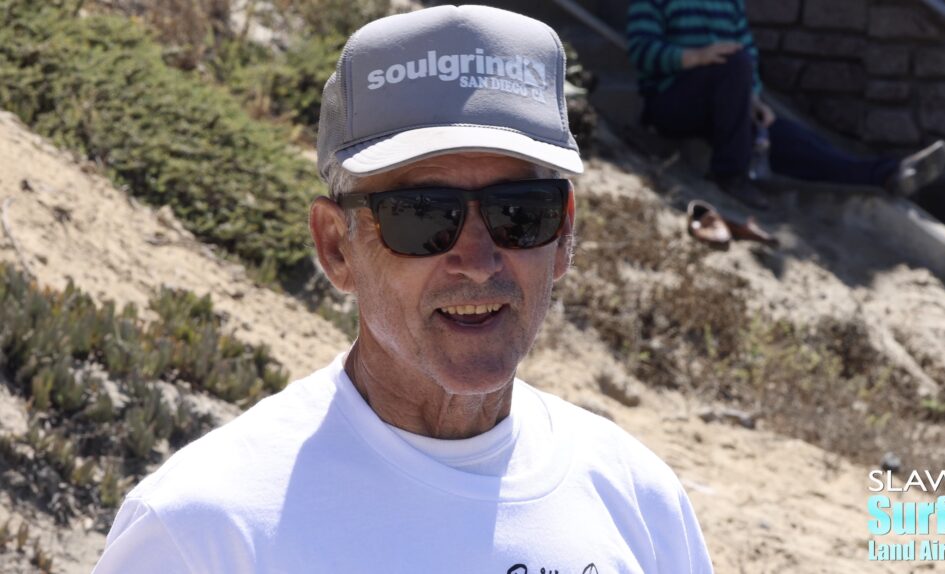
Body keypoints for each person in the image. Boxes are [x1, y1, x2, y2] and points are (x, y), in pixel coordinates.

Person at [93, 5, 713, 572]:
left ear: (565, 235)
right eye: (421, 216)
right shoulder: (204, 531)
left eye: (520, 212)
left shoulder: (641, 501)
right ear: (337, 247)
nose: (477, 259)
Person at [627, 0, 945, 210]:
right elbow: (641, 50)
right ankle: (731, 174)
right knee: (734, 63)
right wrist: (696, 57)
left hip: (726, 105)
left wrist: (752, 97)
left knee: (796, 139)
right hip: (671, 102)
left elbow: (748, 53)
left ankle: (888, 174)